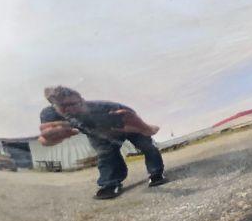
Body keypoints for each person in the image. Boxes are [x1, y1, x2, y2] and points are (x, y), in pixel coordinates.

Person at [38, 85, 168, 200]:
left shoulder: (104, 109)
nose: (69, 110)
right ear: (54, 106)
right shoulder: (50, 114)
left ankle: (156, 173)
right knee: (105, 154)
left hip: (128, 125)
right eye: (63, 107)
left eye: (73, 104)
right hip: (97, 132)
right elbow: (44, 139)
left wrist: (148, 129)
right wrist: (49, 139)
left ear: (82, 100)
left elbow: (141, 128)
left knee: (146, 146)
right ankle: (110, 184)